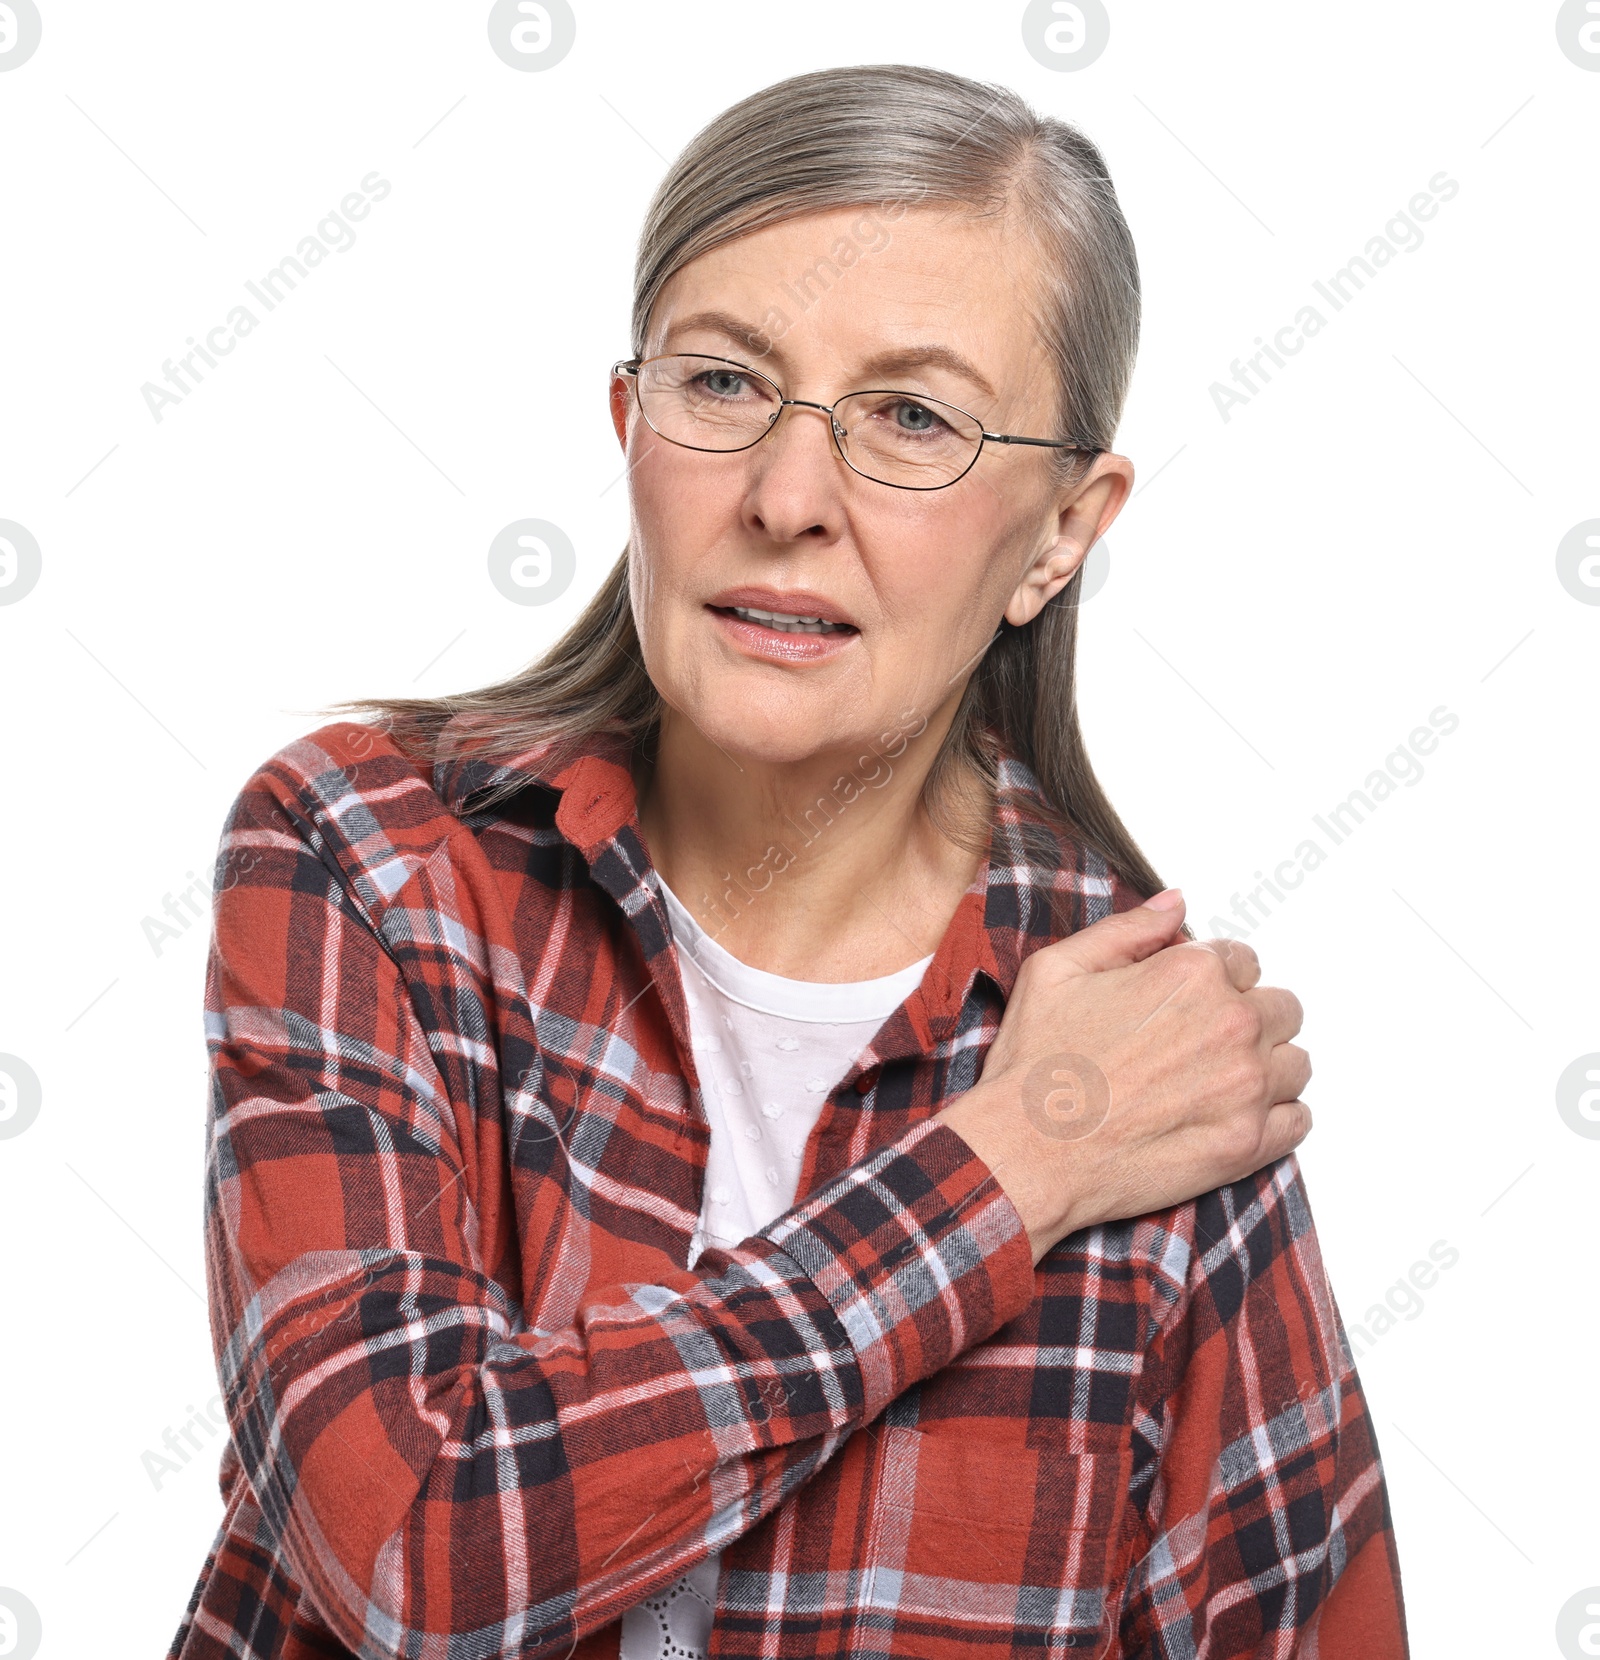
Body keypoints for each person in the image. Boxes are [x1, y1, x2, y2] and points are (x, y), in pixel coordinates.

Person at [167, 63, 1407, 1660]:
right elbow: (415, 1551)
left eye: (912, 419)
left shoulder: (1159, 1062)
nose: (785, 499)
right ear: (630, 427)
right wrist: (1010, 1169)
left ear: (1060, 532)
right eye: (724, 384)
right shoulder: (370, 859)